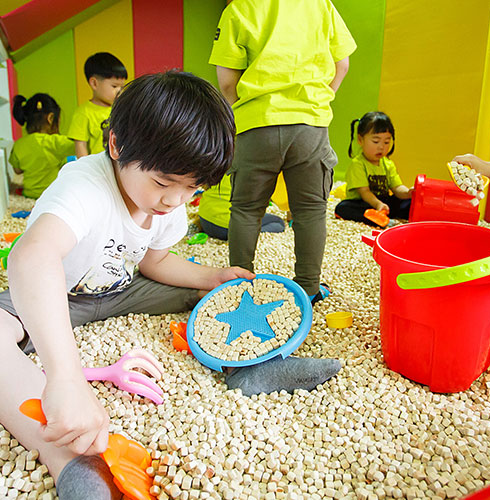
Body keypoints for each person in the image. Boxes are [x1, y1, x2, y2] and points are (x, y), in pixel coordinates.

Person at [0, 71, 342, 500]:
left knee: (220, 294)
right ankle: (70, 458)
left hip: (123, 287)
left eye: (192, 188)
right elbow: (32, 258)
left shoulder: (168, 201)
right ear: (117, 146)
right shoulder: (84, 186)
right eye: (163, 183)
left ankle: (248, 365)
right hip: (59, 295)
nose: (175, 200)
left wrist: (212, 278)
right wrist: (65, 378)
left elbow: (154, 261)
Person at [210, 0, 356, 304]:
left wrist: (246, 112)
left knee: (246, 209)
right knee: (310, 211)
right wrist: (317, 103)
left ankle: (238, 284)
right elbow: (342, 64)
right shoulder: (321, 5)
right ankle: (308, 288)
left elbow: (227, 82)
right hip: (310, 125)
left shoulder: (238, 9)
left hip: (256, 125)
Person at [335, 111, 413, 225]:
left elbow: (397, 187)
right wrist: (377, 204)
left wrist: (408, 193)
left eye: (386, 142)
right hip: (364, 203)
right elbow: (364, 192)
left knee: (408, 202)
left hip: (384, 203)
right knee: (343, 208)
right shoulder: (358, 164)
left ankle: (383, 216)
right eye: (376, 141)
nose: (381, 147)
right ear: (360, 140)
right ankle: (379, 219)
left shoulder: (388, 164)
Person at [9, 94, 75, 199]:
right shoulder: (55, 142)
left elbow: (17, 170)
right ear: (50, 118)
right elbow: (80, 147)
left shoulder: (18, 144)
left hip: (29, 194)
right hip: (52, 194)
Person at [68, 52, 127, 158]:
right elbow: (80, 145)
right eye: (114, 86)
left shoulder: (120, 109)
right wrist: (85, 166)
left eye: (122, 87)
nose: (119, 91)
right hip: (97, 166)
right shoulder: (84, 113)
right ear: (94, 83)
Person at [198, 173, 286, 240]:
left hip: (204, 219)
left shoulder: (225, 158)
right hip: (228, 229)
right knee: (278, 223)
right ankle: (248, 235)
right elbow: (281, 198)